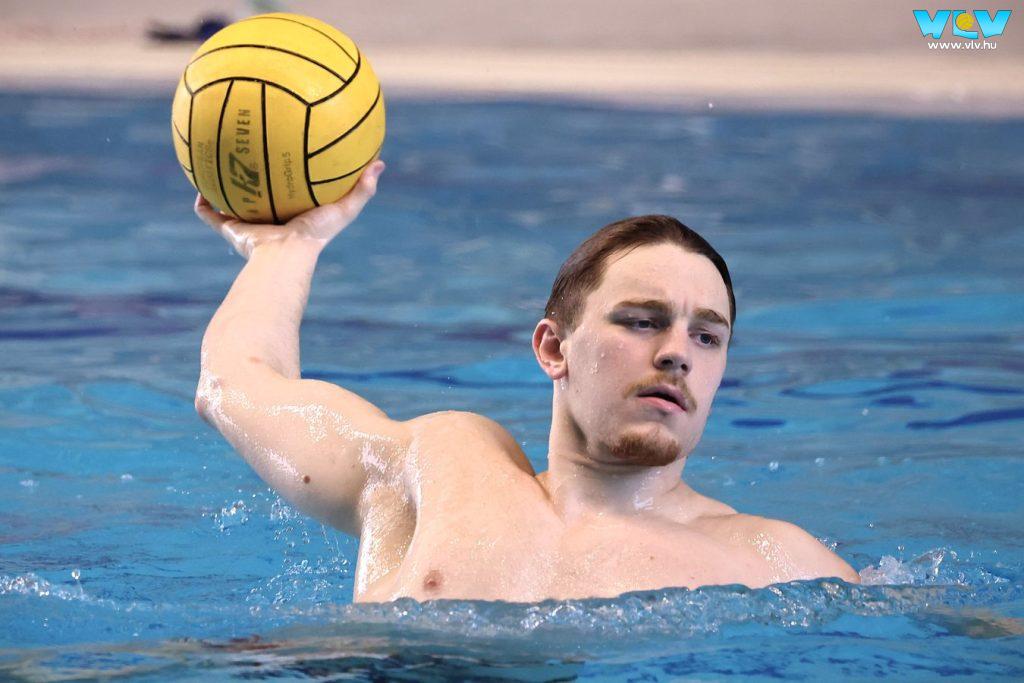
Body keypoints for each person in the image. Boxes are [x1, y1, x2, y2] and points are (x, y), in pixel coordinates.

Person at [193, 160, 860, 602]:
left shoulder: (778, 563)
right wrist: (289, 247)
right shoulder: (437, 470)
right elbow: (235, 383)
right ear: (552, 347)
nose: (677, 354)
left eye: (707, 336)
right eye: (641, 321)